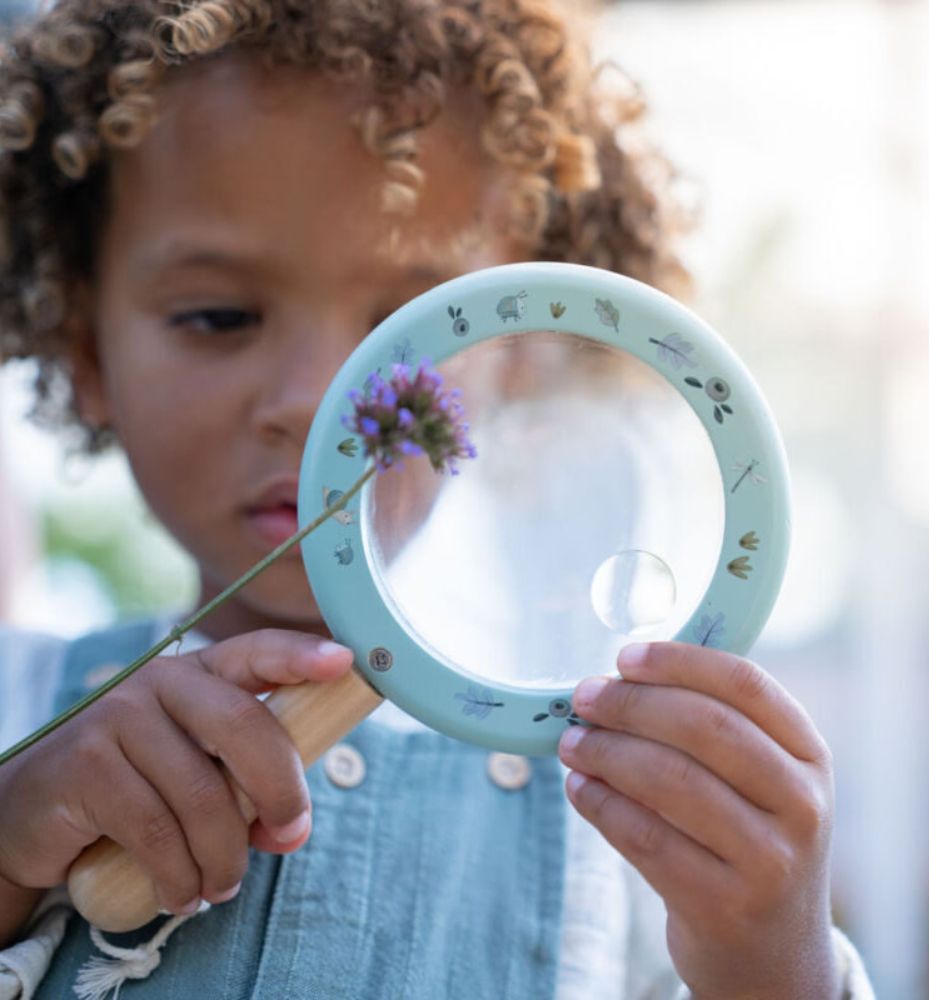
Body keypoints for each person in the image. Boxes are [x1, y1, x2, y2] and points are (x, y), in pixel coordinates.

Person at [0, 1, 874, 997]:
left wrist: (778, 961)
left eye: (411, 328)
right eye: (220, 315)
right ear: (84, 351)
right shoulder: (20, 720)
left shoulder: (635, 806)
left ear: (523, 366)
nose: (319, 405)